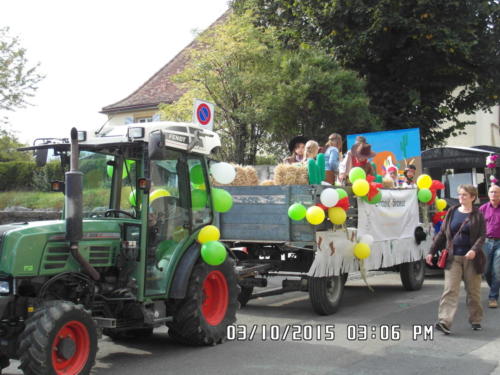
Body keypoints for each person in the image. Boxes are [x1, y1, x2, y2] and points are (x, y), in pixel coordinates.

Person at [426, 184, 487, 334]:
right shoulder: (452, 211)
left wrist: (474, 250)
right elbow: (442, 233)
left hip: (472, 259)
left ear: (472, 197)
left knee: (473, 292)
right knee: (450, 290)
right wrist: (431, 251)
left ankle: (476, 319)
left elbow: (482, 235)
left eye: (464, 195)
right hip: (453, 258)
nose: (461, 197)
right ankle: (444, 321)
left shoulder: (477, 214)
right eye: (459, 194)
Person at [479, 184, 500, 308]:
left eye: (496, 192)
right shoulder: (483, 208)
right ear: (488, 194)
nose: (494, 194)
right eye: (491, 192)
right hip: (486, 242)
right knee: (486, 271)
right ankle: (495, 287)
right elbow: (477, 226)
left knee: (497, 270)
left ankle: (493, 297)